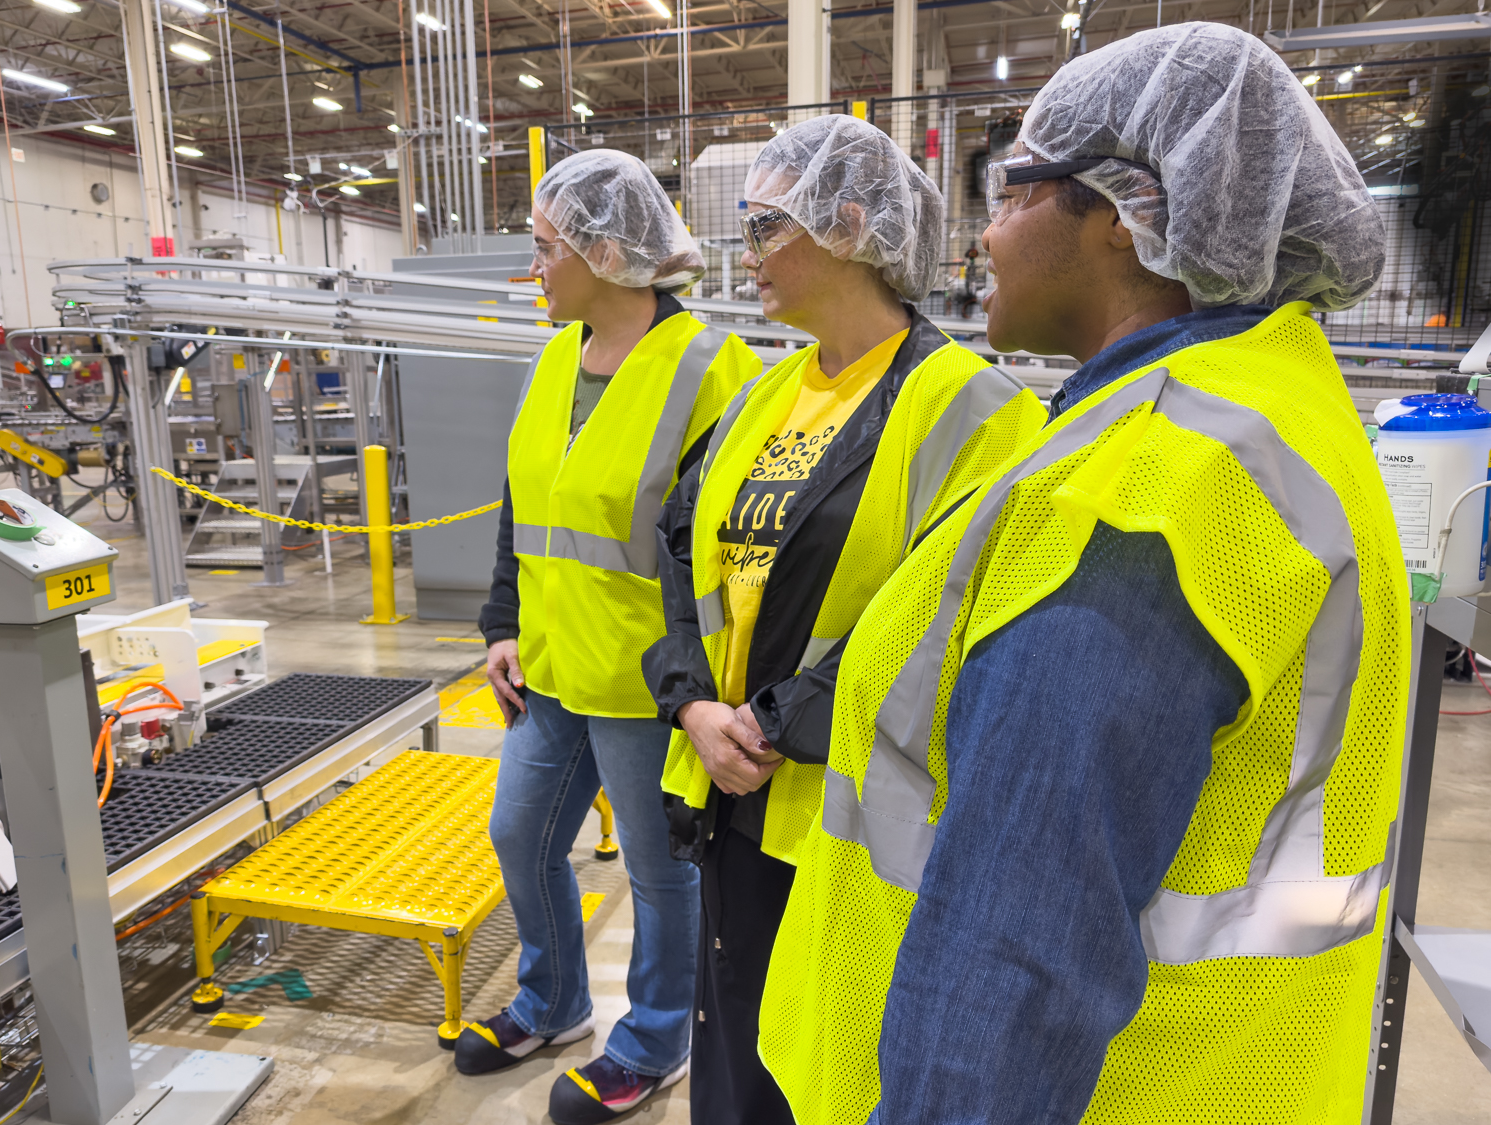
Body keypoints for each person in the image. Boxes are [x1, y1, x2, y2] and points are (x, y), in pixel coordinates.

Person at [759, 24, 1404, 1125]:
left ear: (1122, 212)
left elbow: (1013, 967)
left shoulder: (1148, 490)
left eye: (1011, 193)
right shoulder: (1271, 405)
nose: (985, 236)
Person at [641, 114, 1045, 1125]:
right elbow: (686, 554)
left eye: (767, 229)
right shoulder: (767, 390)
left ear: (850, 225)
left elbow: (944, 618)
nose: (748, 257)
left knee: (819, 1070)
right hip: (729, 795)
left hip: (844, 815)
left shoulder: (971, 407)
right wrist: (692, 705)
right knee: (731, 1053)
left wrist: (777, 722)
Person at [462, 149, 762, 1125]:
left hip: (649, 684)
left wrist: (702, 687)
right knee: (521, 834)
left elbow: (723, 548)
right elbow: (526, 502)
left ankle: (655, 1039)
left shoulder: (715, 374)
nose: (534, 268)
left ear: (604, 250)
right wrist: (504, 622)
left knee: (659, 871)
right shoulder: (556, 355)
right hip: (550, 667)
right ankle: (552, 1004)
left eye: (545, 249)